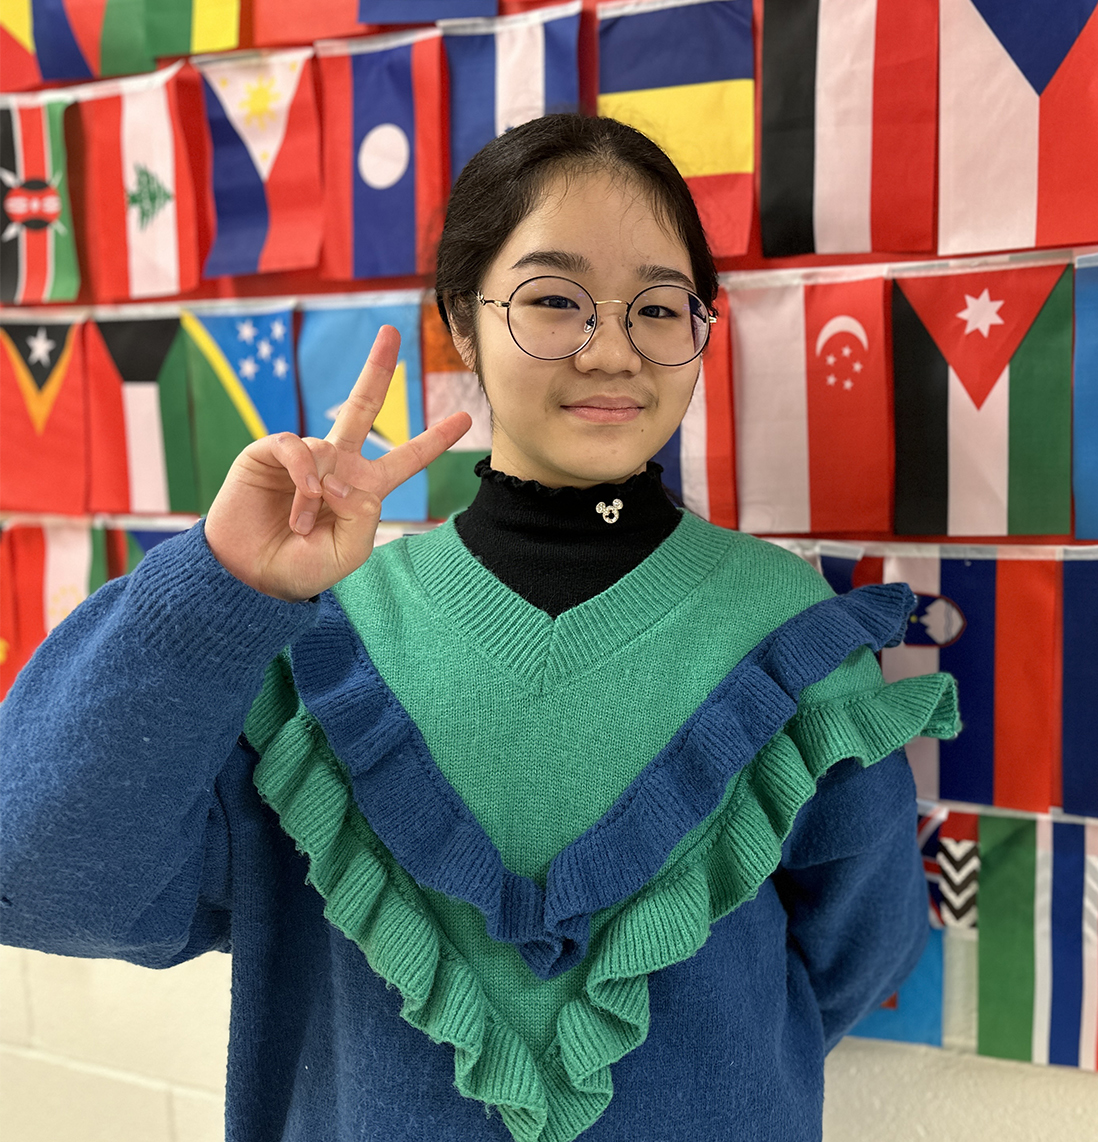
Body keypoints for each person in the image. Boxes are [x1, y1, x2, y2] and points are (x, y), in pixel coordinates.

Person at [0, 115, 958, 1142]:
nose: (611, 349)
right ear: (460, 318)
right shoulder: (316, 630)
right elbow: (44, 877)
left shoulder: (791, 633)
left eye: (659, 307)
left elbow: (855, 947)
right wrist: (221, 582)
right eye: (554, 300)